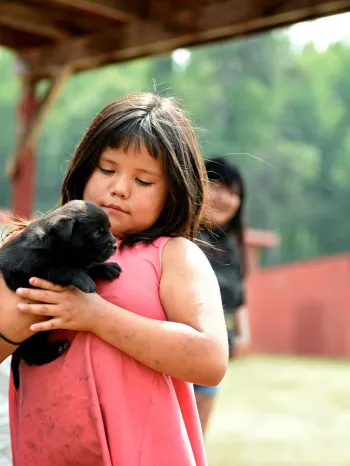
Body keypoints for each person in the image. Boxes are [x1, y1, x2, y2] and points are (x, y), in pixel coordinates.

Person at [0, 93, 229, 466]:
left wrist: (96, 315)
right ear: (84, 169)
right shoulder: (31, 245)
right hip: (46, 450)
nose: (120, 188)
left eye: (143, 180)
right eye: (107, 170)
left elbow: (210, 359)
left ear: (172, 193)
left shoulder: (174, 256)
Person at [194, 156, 251, 436]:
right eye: (216, 186)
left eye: (234, 193)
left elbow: (239, 296)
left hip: (212, 353)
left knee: (194, 443)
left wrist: (243, 336)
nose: (225, 198)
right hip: (172, 347)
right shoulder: (180, 233)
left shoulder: (229, 245)